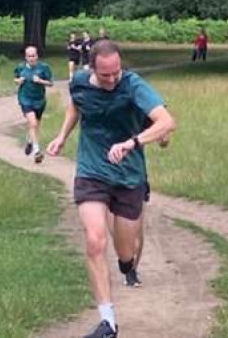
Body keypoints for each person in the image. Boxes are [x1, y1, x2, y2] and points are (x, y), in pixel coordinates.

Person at [46, 40, 176, 338]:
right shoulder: (79, 82)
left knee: (124, 252)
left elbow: (168, 122)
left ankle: (128, 264)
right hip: (92, 171)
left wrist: (133, 143)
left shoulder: (132, 85)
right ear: (92, 68)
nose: (112, 78)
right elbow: (76, 108)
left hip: (129, 177)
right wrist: (62, 136)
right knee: (94, 240)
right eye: (105, 75)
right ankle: (108, 322)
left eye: (116, 72)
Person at [14, 45, 54, 164]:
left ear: (37, 56)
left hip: (39, 100)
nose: (32, 58)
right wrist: (18, 81)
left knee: (36, 126)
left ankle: (30, 141)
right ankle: (37, 151)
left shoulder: (44, 68)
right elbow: (15, 78)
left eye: (34, 56)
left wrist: (40, 81)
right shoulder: (20, 68)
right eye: (29, 56)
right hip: (25, 99)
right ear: (26, 57)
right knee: (33, 123)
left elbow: (51, 83)